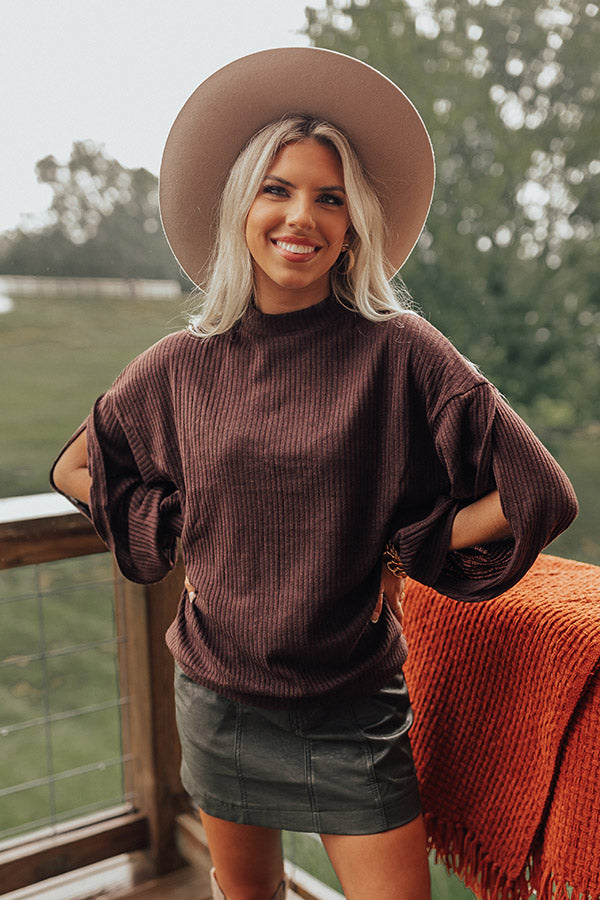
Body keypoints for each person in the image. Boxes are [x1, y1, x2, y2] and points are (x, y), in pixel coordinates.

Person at [50, 48, 577, 900]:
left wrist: (413, 542)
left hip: (354, 710)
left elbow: (537, 490)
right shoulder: (181, 365)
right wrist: (176, 521)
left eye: (329, 197)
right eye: (278, 189)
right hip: (217, 699)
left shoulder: (401, 350)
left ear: (354, 221)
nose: (303, 216)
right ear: (241, 209)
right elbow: (81, 466)